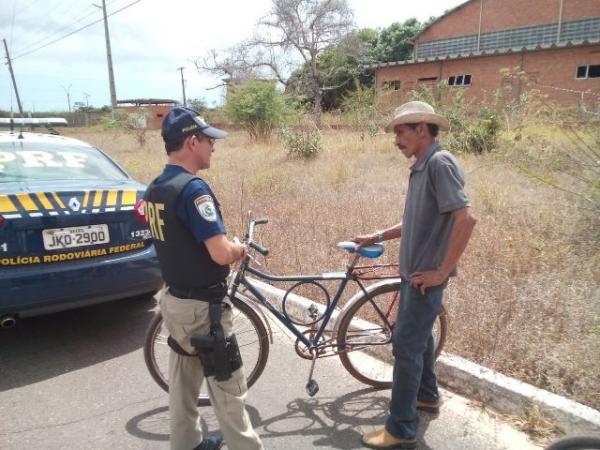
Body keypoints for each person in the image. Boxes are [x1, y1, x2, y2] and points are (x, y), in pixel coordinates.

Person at [354, 101, 477, 450]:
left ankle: (401, 427)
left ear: (422, 129)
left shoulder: (440, 163)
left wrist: (441, 271)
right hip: (413, 275)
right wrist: (377, 236)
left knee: (405, 347)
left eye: (401, 132)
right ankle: (427, 396)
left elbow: (465, 219)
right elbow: (413, 221)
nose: (397, 140)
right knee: (420, 341)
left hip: (426, 277)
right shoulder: (422, 167)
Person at [144, 107, 264, 450]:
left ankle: (187, 444)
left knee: (182, 385)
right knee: (230, 393)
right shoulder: (193, 190)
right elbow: (219, 253)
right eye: (209, 140)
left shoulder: (155, 188)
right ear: (192, 141)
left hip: (175, 303)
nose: (214, 147)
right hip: (203, 310)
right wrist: (238, 248)